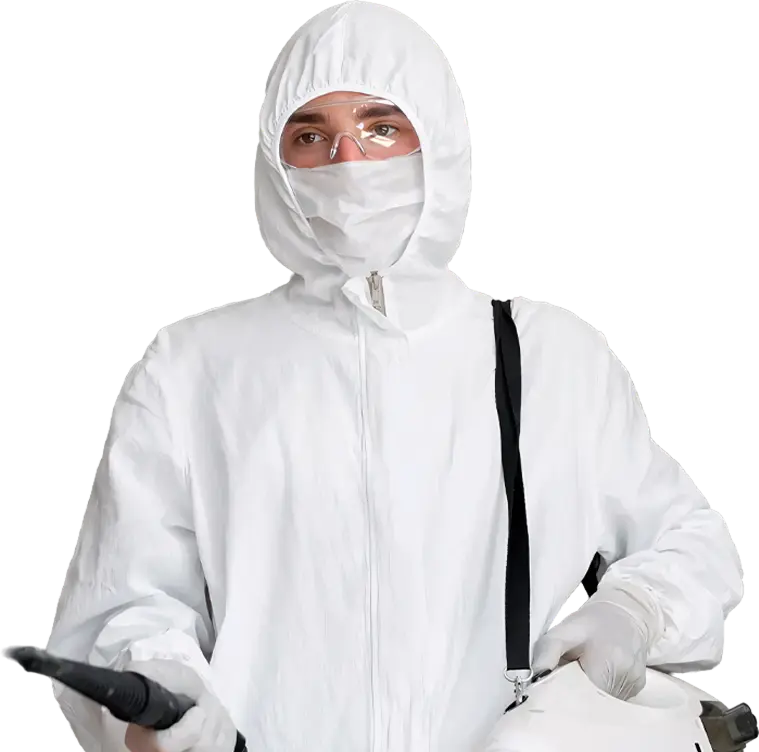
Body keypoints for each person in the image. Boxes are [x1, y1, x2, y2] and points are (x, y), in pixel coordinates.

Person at [46, 2, 744, 751]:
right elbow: (126, 596)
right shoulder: (191, 369)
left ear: (438, 141)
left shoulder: (550, 358)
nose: (348, 162)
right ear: (273, 165)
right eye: (310, 136)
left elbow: (689, 540)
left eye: (381, 128)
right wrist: (157, 684)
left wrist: (634, 610)